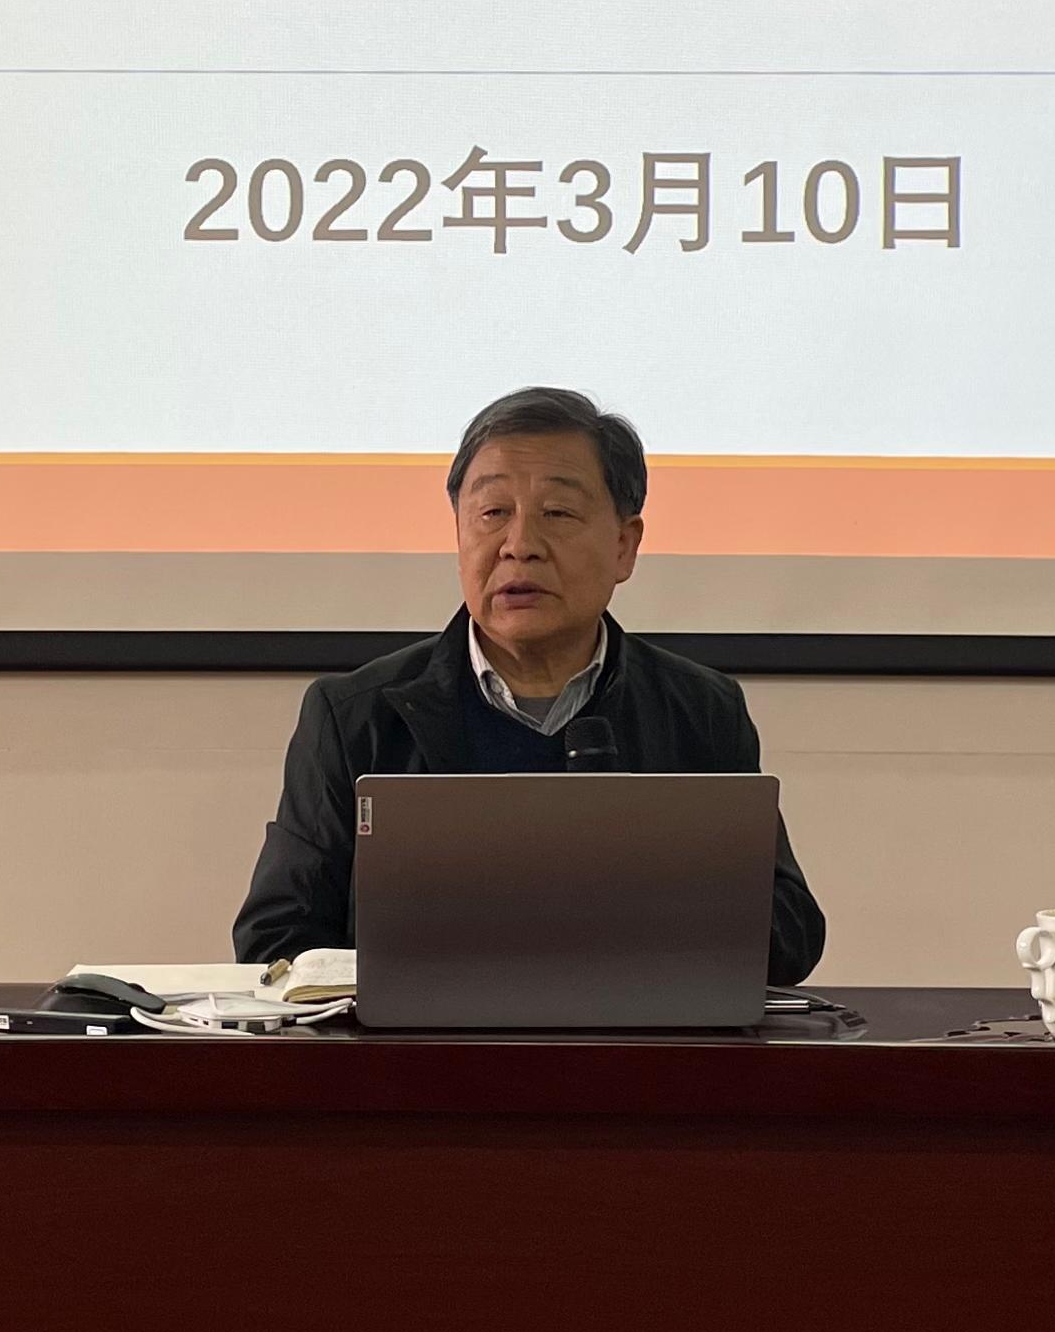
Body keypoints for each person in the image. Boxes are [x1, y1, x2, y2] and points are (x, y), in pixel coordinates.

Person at [232, 385, 826, 982]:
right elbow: (274, 939)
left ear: (624, 546)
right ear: (459, 534)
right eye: (492, 513)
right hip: (423, 1039)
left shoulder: (700, 710)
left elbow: (788, 935)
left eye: (558, 514)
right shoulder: (353, 716)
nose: (519, 547)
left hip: (634, 1036)